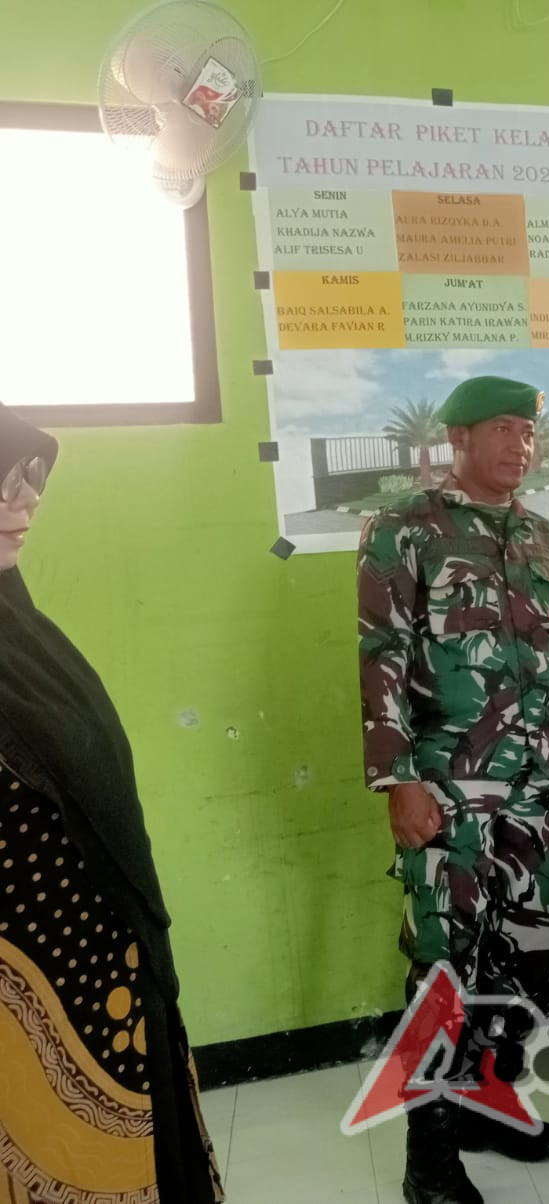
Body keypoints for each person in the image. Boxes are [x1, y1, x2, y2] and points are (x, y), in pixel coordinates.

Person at [357, 376, 549, 1204]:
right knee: (444, 966)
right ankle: (428, 1161)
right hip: (447, 789)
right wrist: (397, 779)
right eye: (502, 430)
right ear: (460, 440)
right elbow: (381, 657)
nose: (519, 445)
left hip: (537, 789)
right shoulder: (404, 530)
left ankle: (485, 1096)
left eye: (527, 432)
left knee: (529, 959)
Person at [0, 404, 223, 1202]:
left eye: (29, 481)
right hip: (25, 1024)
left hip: (102, 985)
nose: (24, 505)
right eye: (0, 483)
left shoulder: (22, 632)